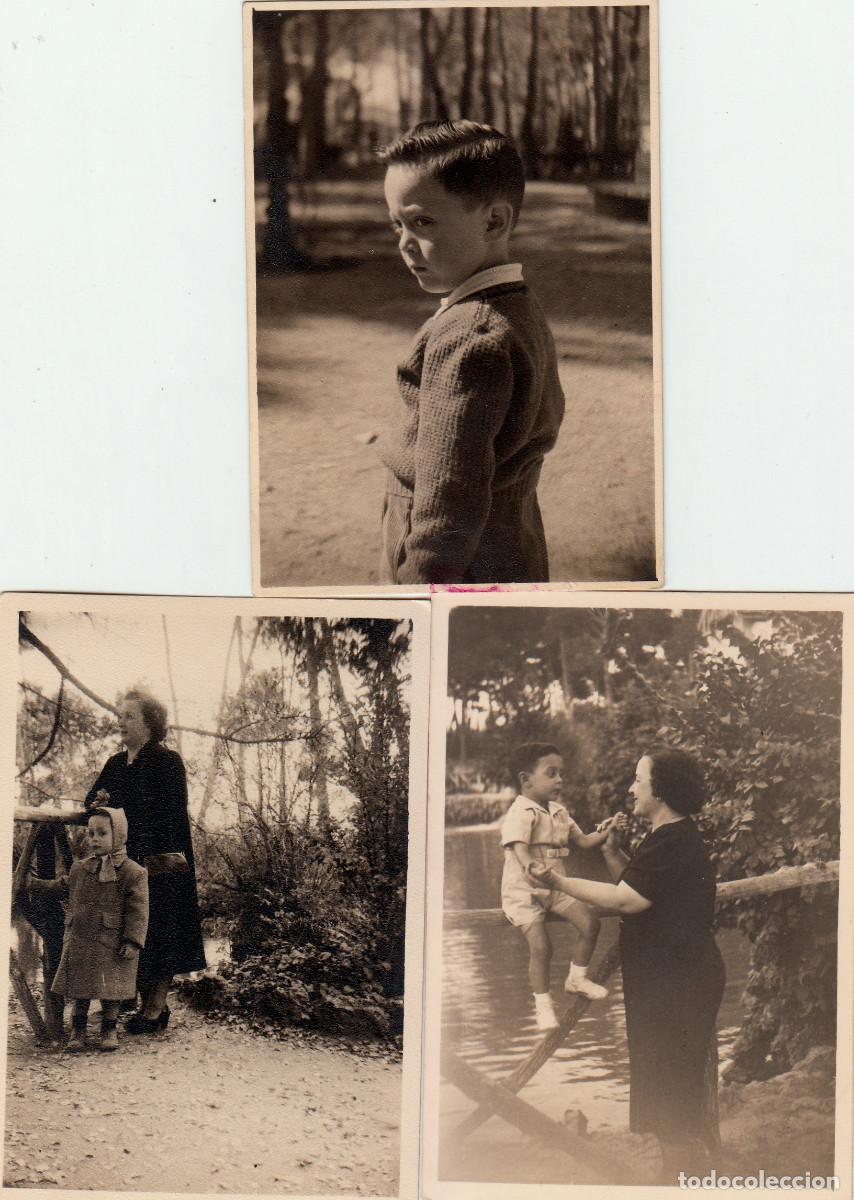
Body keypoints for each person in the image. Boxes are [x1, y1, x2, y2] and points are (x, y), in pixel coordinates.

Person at [375, 120, 565, 585]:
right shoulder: (514, 305)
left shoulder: (470, 336)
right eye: (397, 224)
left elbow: (447, 504)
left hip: (463, 565)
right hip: (509, 542)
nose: (404, 243)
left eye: (423, 222)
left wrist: (417, 599)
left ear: (494, 221)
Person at [529, 749, 725, 1183]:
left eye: (639, 780)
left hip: (681, 982)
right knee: (662, 1077)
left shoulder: (673, 840)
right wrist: (614, 852)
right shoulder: (667, 838)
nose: (631, 788)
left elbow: (624, 900)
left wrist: (557, 881)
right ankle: (679, 1173)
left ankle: (675, 1179)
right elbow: (635, 886)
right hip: (669, 979)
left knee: (671, 1080)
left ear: (662, 789)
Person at [83, 689, 207, 1033]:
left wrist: (127, 823)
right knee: (129, 928)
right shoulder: (115, 763)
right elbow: (90, 803)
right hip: (125, 861)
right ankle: (131, 998)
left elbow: (170, 812)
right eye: (119, 716)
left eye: (129, 717)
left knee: (162, 929)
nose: (120, 722)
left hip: (161, 861)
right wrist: (101, 806)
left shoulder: (167, 761)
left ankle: (155, 1009)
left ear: (150, 723)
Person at [500, 742, 613, 1032]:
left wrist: (606, 831)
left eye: (560, 773)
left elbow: (585, 842)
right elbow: (519, 849)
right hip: (524, 892)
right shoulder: (520, 812)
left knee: (590, 923)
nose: (559, 780)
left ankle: (577, 977)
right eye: (551, 773)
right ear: (526, 780)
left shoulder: (560, 813)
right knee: (542, 947)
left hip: (556, 888)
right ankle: (543, 1007)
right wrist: (530, 866)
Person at [51, 807, 148, 1052]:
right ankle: (78, 1028)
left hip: (112, 939)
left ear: (119, 835)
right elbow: (69, 892)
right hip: (81, 936)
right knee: (80, 986)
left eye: (102, 833)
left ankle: (109, 1027)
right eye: (90, 833)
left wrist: (133, 941)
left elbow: (138, 910)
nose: (93, 839)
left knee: (111, 988)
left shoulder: (133, 872)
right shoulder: (80, 868)